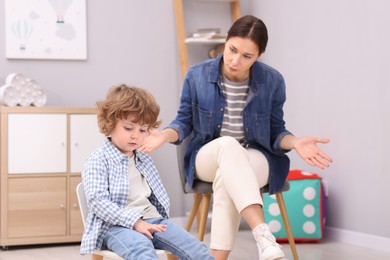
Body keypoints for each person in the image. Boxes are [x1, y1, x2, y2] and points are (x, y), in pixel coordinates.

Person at [140, 15, 333, 260]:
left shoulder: (272, 81)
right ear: (226, 41)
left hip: (255, 157)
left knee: (227, 177)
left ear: (259, 56)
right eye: (232, 50)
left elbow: (276, 131)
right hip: (207, 156)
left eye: (247, 56)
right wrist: (165, 136)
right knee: (228, 147)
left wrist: (295, 142)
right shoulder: (197, 75)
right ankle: (263, 235)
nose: (235, 60)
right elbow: (183, 121)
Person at [80, 84, 215, 260]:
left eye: (143, 130)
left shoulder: (143, 158)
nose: (136, 135)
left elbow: (153, 197)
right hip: (114, 226)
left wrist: (150, 221)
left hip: (151, 219)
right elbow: (97, 202)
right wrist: (135, 222)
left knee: (197, 249)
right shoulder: (98, 159)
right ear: (110, 123)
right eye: (128, 128)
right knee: (142, 251)